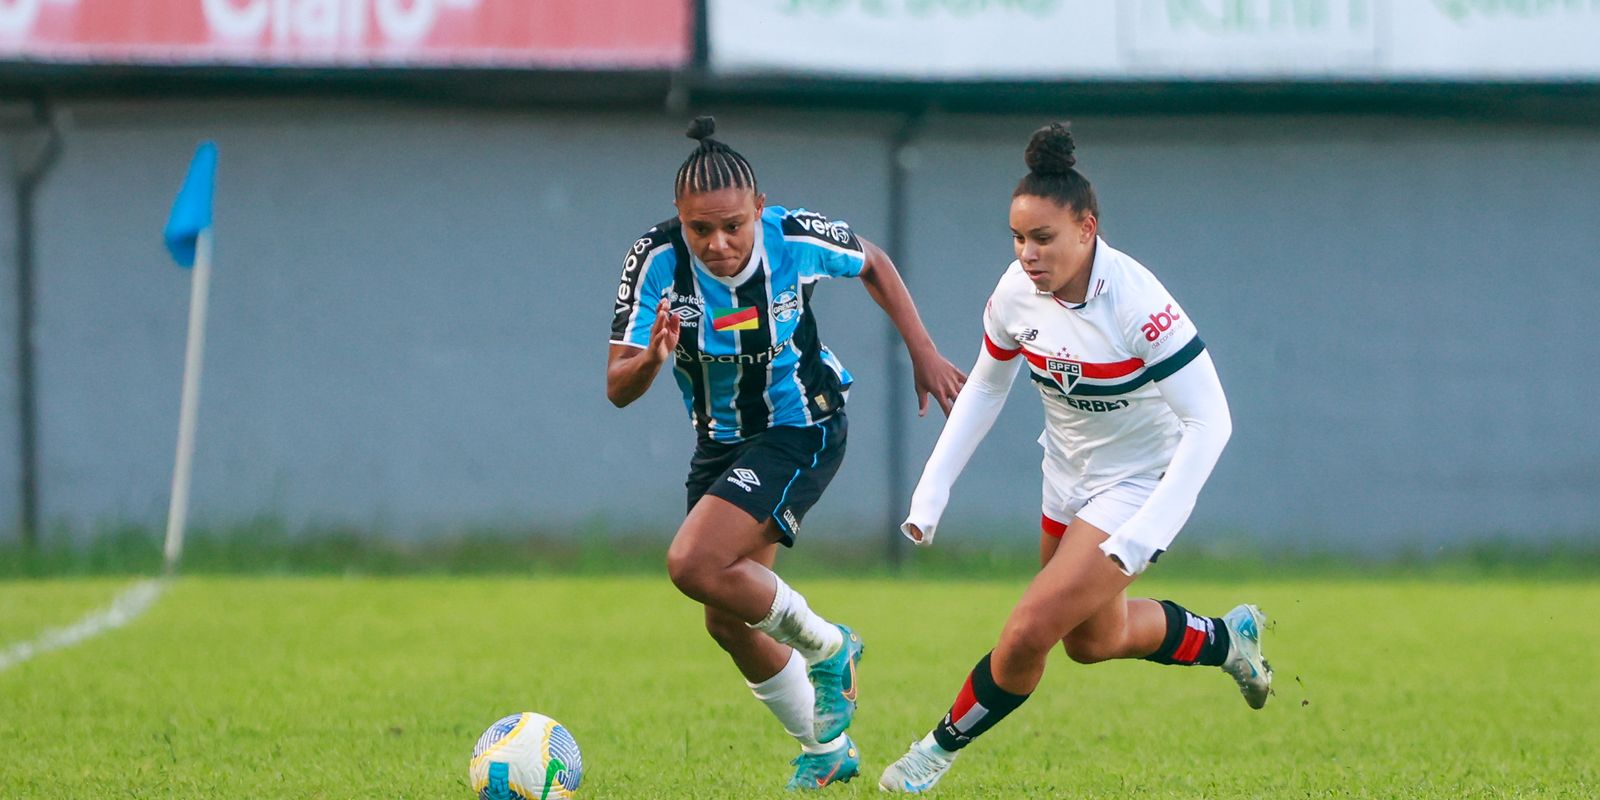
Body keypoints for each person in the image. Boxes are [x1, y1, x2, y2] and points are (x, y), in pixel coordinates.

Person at [877, 122, 1271, 793]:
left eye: (1043, 238)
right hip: (1066, 481)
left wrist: (1147, 533)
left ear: (1087, 228)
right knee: (1090, 641)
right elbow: (986, 386)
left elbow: (1212, 422)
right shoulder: (1013, 293)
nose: (1027, 253)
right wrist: (931, 491)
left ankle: (931, 753)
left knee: (1030, 627)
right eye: (1018, 238)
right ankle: (1228, 641)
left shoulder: (1139, 305)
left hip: (1137, 487)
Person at [607, 116, 966, 790]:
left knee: (691, 562)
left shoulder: (792, 236)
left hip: (802, 424)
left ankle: (831, 647)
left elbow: (874, 263)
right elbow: (617, 386)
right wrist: (652, 360)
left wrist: (921, 349)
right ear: (678, 220)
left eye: (732, 225)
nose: (718, 243)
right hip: (720, 443)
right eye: (699, 229)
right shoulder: (654, 259)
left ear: (759, 211)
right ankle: (826, 750)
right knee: (727, 617)